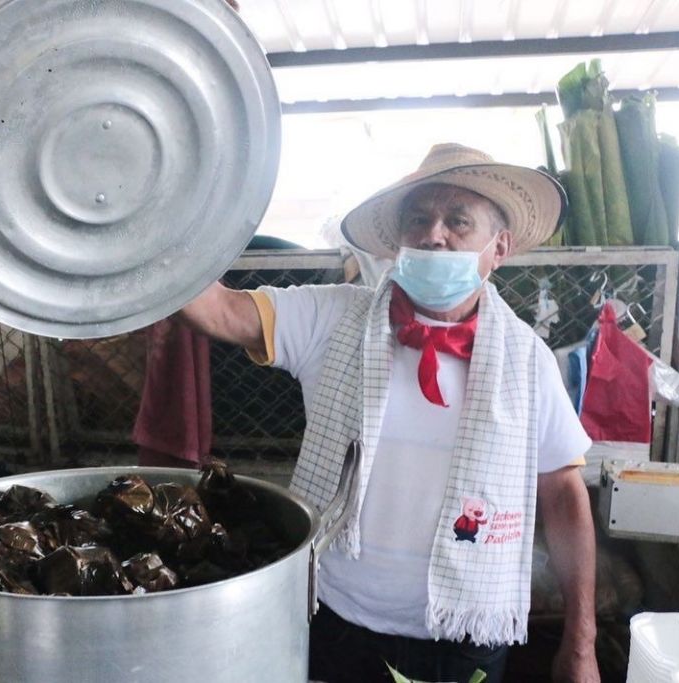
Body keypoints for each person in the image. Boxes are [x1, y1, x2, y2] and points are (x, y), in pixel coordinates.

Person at [179, 143, 599, 683]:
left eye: (458, 221)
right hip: (336, 619)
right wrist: (155, 232)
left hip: (464, 636)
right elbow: (220, 312)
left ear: (499, 248)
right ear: (400, 241)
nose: (434, 234)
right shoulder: (333, 319)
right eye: (419, 219)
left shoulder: (527, 360)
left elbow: (564, 495)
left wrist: (581, 644)